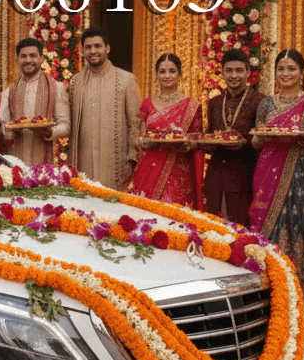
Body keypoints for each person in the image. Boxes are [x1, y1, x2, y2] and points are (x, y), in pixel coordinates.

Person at [249, 49, 304, 321]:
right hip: (268, 171)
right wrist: (264, 135)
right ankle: (266, 302)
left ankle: (302, 305)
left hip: (300, 173)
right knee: (268, 230)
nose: (285, 74)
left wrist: (301, 138)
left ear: (302, 72)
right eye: (281, 68)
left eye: (292, 68)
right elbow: (256, 140)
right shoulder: (266, 103)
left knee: (299, 228)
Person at [67, 26, 141, 189]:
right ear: (83, 51)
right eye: (88, 47)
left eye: (97, 46)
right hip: (82, 164)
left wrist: (132, 159)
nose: (93, 51)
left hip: (116, 166)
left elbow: (135, 124)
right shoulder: (76, 82)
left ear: (107, 48)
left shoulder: (127, 80)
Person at [130, 53, 203, 208]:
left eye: (172, 71)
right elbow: (137, 134)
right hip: (150, 168)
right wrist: (141, 141)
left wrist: (187, 145)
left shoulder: (192, 106)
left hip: (178, 169)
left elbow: (198, 139)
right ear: (156, 75)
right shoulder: (147, 103)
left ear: (180, 74)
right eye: (162, 71)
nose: (167, 76)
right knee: (146, 214)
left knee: (175, 216)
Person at [204, 49, 263, 227]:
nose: (234, 75)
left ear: (248, 72)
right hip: (216, 176)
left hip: (244, 176)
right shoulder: (214, 103)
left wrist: (244, 142)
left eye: (239, 70)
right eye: (229, 70)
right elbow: (210, 137)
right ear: (222, 72)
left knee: (242, 230)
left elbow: (262, 142)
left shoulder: (260, 101)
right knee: (213, 229)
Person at [0, 38, 69, 165]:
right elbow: (4, 126)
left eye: (33, 56)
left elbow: (66, 126)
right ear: (18, 59)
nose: (28, 60)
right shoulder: (8, 92)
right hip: (16, 162)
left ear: (41, 58)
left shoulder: (56, 88)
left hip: (45, 163)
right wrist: (9, 130)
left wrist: (50, 132)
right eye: (23, 56)